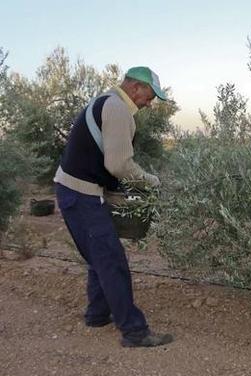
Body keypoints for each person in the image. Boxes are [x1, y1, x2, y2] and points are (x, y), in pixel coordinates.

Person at [54, 66, 173, 348]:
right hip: (81, 195)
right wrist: (150, 181)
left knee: (100, 256)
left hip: (74, 190)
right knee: (111, 260)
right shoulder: (118, 108)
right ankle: (134, 331)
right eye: (149, 95)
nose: (150, 103)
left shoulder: (104, 101)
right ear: (135, 88)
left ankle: (97, 314)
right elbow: (118, 165)